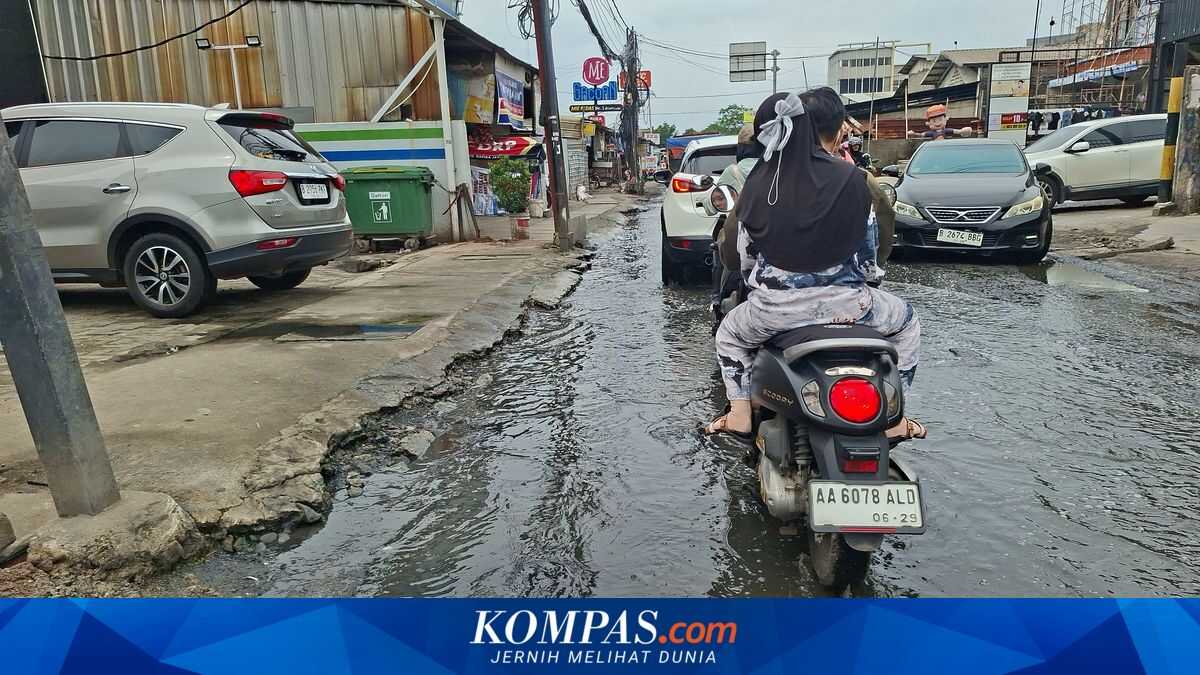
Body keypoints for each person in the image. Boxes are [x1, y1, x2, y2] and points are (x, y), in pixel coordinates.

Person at [705, 88, 925, 442]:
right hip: (851, 308)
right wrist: (860, 284)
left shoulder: (756, 186)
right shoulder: (855, 180)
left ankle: (740, 415)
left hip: (773, 314)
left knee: (729, 335)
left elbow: (745, 263)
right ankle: (896, 419)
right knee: (908, 323)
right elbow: (868, 261)